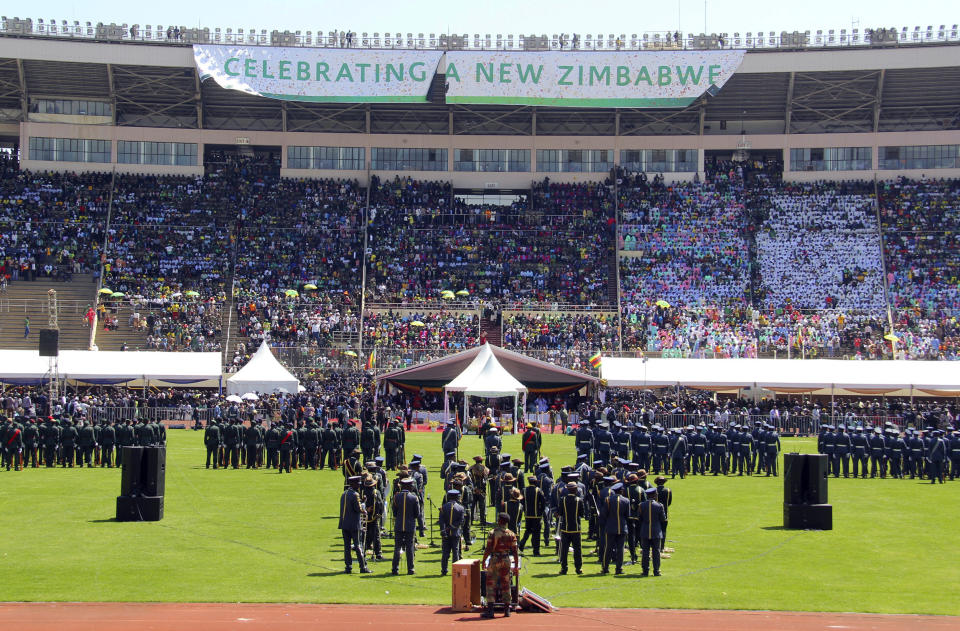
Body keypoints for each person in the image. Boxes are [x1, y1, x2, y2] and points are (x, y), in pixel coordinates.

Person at [481, 512, 519, 619]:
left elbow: (488, 549)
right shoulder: (511, 534)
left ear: (499, 521)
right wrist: (515, 565)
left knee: (490, 584)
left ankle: (491, 610)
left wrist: (483, 560)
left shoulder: (492, 533)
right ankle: (507, 610)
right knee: (506, 584)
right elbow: (515, 551)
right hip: (506, 559)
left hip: (495, 559)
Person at [338, 476, 371, 574]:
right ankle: (363, 567)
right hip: (353, 524)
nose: (359, 486)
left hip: (344, 523)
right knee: (358, 545)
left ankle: (348, 567)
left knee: (347, 546)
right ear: (353, 484)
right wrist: (364, 508)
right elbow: (358, 509)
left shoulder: (344, 494)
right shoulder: (355, 494)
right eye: (357, 484)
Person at [600, 482, 630, 575]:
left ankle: (605, 567)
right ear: (621, 491)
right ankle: (619, 568)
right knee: (620, 549)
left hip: (610, 526)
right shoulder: (626, 501)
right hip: (621, 527)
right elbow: (627, 515)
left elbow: (604, 514)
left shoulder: (608, 500)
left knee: (608, 548)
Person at [391, 477, 420, 575]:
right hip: (409, 526)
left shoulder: (396, 497)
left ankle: (395, 569)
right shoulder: (413, 497)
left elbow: (394, 512)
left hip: (399, 525)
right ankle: (410, 569)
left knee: (397, 547)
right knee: (409, 547)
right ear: (408, 486)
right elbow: (417, 513)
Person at [638, 486, 666, 577]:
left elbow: (640, 518)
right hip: (656, 531)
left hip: (645, 531)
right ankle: (656, 571)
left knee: (645, 552)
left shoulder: (641, 505)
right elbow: (663, 519)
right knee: (656, 552)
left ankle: (645, 571)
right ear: (654, 495)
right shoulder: (659, 505)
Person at [557, 481, 584, 575]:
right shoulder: (579, 500)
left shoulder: (562, 500)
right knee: (577, 549)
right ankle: (578, 568)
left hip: (565, 528)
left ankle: (564, 568)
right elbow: (582, 514)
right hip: (576, 528)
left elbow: (559, 513)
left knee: (564, 550)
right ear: (576, 490)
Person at [438, 488, 465, 576]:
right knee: (455, 552)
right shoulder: (460, 508)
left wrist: (443, 529)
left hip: (445, 533)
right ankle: (456, 571)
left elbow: (441, 520)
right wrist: (452, 527)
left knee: (445, 553)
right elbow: (461, 521)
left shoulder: (444, 507)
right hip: (455, 533)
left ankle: (444, 570)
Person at [518, 475, 544, 556]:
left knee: (527, 531)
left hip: (527, 515)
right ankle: (536, 551)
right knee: (536, 533)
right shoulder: (538, 490)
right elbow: (543, 503)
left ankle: (521, 544)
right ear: (535, 482)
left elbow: (521, 502)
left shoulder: (524, 490)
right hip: (536, 516)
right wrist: (540, 513)